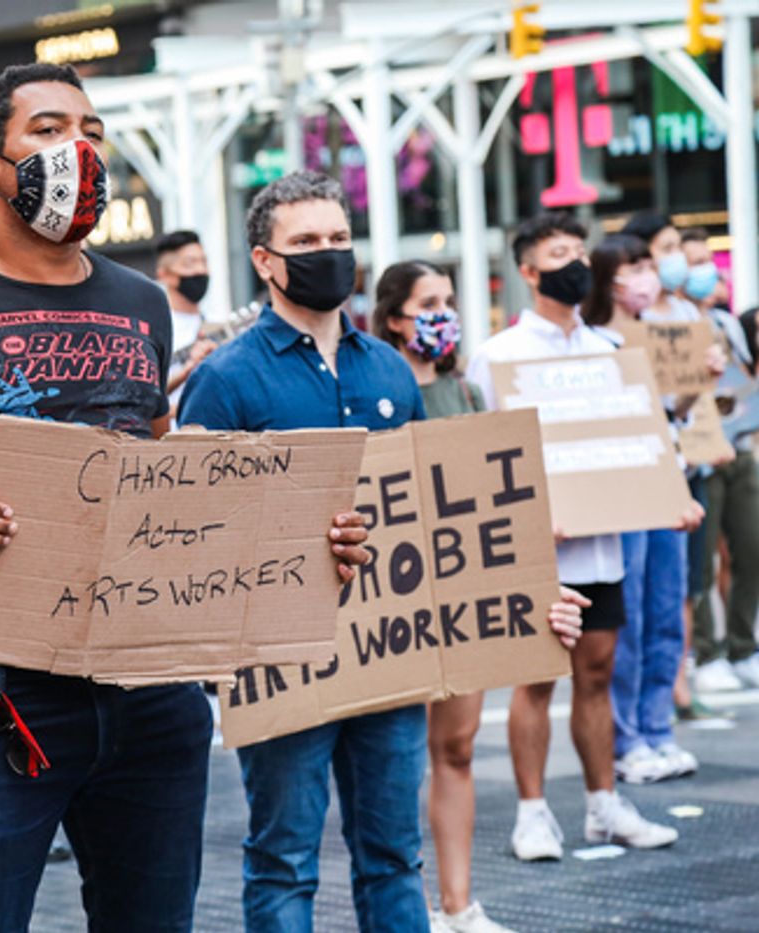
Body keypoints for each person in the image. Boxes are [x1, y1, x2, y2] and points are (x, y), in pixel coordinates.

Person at [0, 66, 370, 931]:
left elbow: (165, 488)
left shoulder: (140, 303)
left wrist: (298, 547)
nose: (79, 149)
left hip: (149, 689)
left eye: (90, 130)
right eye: (49, 130)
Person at [178, 173, 428, 932]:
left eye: (339, 238)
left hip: (388, 647)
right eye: (307, 241)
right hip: (279, 659)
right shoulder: (224, 379)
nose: (329, 253)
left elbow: (429, 503)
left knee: (395, 854)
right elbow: (191, 529)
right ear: (265, 260)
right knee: (284, 859)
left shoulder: (389, 369)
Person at [466, 212, 697, 859]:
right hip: (538, 553)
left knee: (597, 672)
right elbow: (480, 458)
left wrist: (670, 498)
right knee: (538, 678)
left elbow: (641, 441)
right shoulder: (500, 356)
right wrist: (525, 518)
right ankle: (532, 813)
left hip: (602, 547)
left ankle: (604, 804)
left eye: (579, 251)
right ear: (528, 271)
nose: (573, 264)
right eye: (558, 254)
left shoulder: (609, 351)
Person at [373, 260, 588, 933]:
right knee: (390, 763)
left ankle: (458, 906)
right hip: (395, 598)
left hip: (460, 594)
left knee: (457, 747)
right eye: (428, 303)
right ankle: (404, 904)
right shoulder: (373, 387)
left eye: (448, 300)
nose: (443, 313)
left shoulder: (465, 390)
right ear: (394, 319)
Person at [579, 234, 708, 783]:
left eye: (648, 266)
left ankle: (657, 728)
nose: (646, 278)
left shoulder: (662, 335)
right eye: (633, 267)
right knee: (626, 617)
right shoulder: (589, 343)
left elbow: (673, 415)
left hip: (666, 479)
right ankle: (625, 736)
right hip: (621, 488)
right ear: (608, 276)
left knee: (665, 608)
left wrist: (695, 383)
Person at [678, 230, 759, 693]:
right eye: (692, 262)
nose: (703, 270)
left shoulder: (727, 324)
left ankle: (744, 646)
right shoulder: (669, 327)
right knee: (702, 563)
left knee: (750, 550)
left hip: (740, 447)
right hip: (699, 458)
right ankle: (707, 653)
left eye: (705, 260)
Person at [155, 229, 217, 405]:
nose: (201, 270)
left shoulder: (215, 325)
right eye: (190, 264)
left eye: (204, 262)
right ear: (165, 275)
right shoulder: (154, 329)